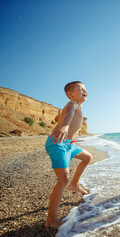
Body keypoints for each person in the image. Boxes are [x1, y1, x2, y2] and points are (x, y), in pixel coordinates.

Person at [45, 81, 93, 229]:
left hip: (70, 145)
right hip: (58, 143)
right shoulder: (73, 104)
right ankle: (51, 220)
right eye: (81, 89)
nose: (85, 91)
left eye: (85, 89)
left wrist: (57, 118)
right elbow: (69, 114)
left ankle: (75, 184)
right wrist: (64, 126)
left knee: (87, 157)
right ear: (70, 94)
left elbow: (63, 115)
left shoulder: (75, 106)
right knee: (63, 178)